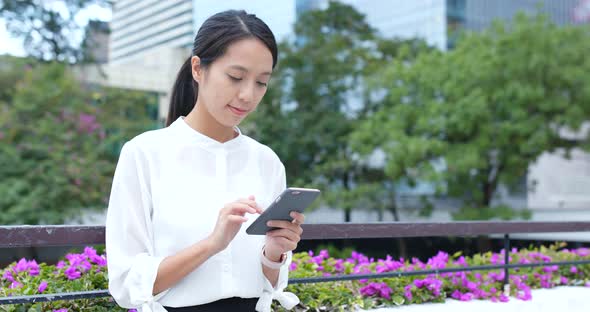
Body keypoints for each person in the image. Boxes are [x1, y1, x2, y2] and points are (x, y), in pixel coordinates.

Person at [105, 10, 305, 312]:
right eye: (235, 77)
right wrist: (212, 244)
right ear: (198, 69)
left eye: (261, 83)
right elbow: (126, 282)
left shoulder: (267, 162)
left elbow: (271, 285)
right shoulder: (144, 153)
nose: (248, 95)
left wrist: (274, 254)